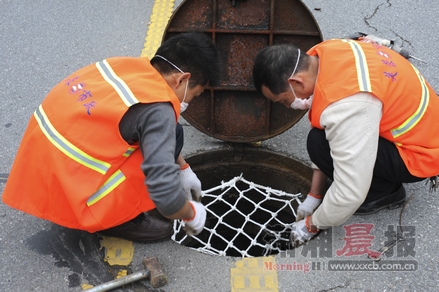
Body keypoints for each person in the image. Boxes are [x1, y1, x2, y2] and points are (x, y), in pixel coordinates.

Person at [2, 33, 221, 243]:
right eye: (195, 94)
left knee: (174, 132)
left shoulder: (126, 67)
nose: (190, 102)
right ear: (182, 79)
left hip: (39, 169)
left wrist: (182, 169)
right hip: (67, 193)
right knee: (162, 167)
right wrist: (190, 213)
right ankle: (118, 221)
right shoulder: (158, 109)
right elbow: (163, 191)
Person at [252, 37, 439, 247]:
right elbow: (329, 128)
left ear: (296, 82)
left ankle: (384, 193)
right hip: (418, 125)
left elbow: (350, 192)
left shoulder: (349, 104)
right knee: (318, 141)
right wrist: (315, 194)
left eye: (284, 100)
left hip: (421, 153)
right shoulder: (327, 52)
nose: (288, 106)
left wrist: (312, 225)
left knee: (322, 147)